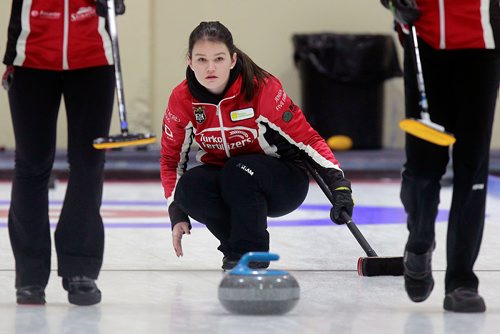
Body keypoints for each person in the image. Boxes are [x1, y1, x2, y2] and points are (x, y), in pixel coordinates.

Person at [160, 21, 354, 270]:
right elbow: (171, 161)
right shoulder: (182, 99)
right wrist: (176, 212)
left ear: (232, 60)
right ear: (189, 61)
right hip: (230, 181)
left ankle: (252, 254)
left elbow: (308, 139)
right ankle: (235, 251)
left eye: (218, 58)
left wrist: (339, 186)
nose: (210, 68)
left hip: (282, 183)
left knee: (237, 169)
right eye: (201, 60)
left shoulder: (261, 88)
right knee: (189, 188)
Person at [2, 0, 125, 306]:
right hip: (31, 56)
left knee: (89, 163)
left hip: (94, 58)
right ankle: (29, 276)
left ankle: (80, 269)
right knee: (32, 164)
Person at [381, 0, 500, 312]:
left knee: (471, 170)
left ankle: (461, 281)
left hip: (482, 47)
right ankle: (419, 242)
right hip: (425, 43)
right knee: (422, 168)